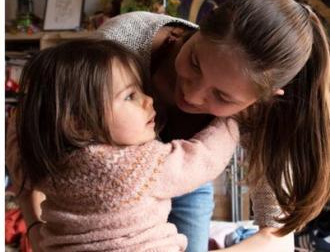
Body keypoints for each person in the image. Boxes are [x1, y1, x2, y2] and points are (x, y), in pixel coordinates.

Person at [8, 0, 330, 251]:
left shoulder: (264, 117)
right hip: (96, 188)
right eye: (195, 64)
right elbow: (34, 127)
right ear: (200, 25)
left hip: (183, 176)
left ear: (260, 101)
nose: (192, 95)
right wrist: (35, 224)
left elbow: (275, 236)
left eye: (222, 97)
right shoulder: (124, 42)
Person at [13, 38, 239, 251]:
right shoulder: (137, 166)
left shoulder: (46, 159)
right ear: (79, 123)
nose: (148, 100)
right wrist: (233, 119)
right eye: (130, 96)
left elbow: (16, 149)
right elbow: (205, 157)